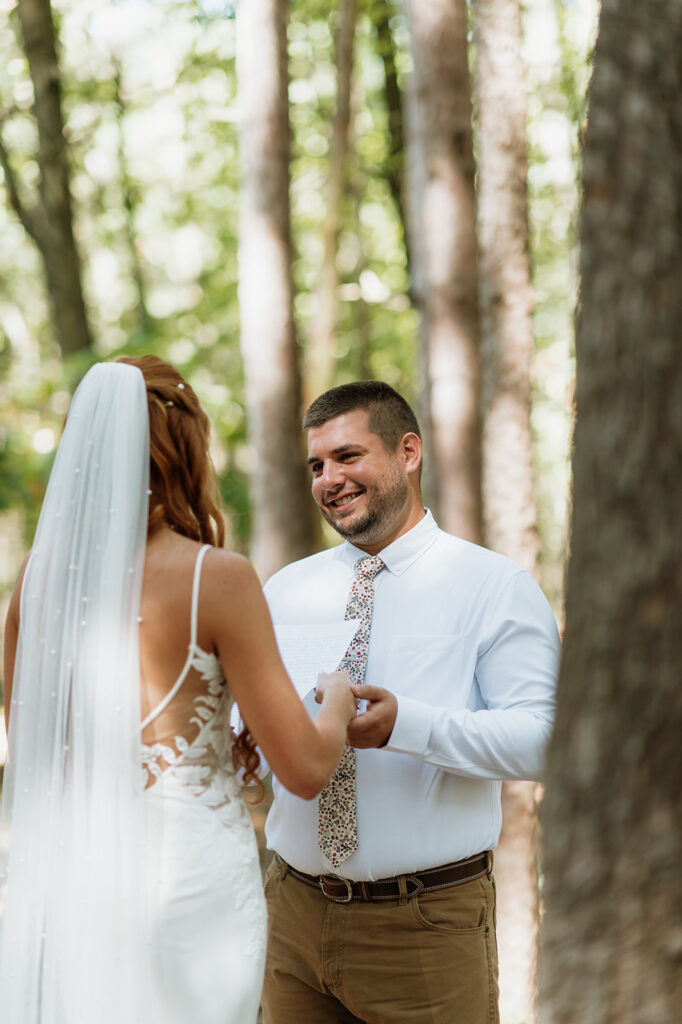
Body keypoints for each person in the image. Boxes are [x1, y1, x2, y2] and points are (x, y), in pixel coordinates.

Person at [0, 356, 356, 1024]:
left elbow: (40, 758)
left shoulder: (36, 582)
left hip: (76, 889)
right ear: (187, 449)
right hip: (187, 887)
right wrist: (334, 698)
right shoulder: (215, 578)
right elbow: (306, 769)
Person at [261, 380, 560, 1024]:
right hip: (290, 916)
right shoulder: (284, 590)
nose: (328, 479)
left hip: (425, 927)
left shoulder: (492, 585)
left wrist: (410, 725)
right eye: (317, 465)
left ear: (409, 452)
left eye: (347, 456)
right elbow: (261, 738)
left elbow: (544, 739)